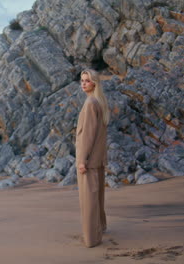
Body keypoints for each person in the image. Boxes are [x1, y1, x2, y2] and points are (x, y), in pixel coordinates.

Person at [75, 69, 110, 248]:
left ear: (94, 83)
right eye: (82, 81)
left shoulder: (90, 103)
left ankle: (91, 238)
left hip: (89, 161)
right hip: (98, 159)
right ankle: (100, 227)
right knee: (97, 197)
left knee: (88, 199)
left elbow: (87, 135)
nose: (83, 84)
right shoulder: (100, 102)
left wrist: (82, 160)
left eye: (87, 81)